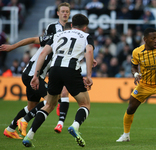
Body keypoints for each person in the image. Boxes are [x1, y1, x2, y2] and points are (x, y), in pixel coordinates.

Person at [23, 13, 94, 148]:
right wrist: (89, 75)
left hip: (54, 70)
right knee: (85, 104)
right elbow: (89, 52)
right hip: (71, 70)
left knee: (49, 105)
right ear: (85, 27)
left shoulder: (58, 35)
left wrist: (36, 75)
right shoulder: (86, 36)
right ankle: (75, 126)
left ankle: (30, 134)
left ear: (72, 25)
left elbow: (43, 53)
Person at [2, 2, 71, 139]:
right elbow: (34, 39)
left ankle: (10, 129)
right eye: (62, 11)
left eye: (67, 12)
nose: (65, 13)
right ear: (57, 13)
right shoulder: (55, 30)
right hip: (33, 74)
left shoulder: (66, 35)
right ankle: (25, 121)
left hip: (35, 74)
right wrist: (12, 47)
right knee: (49, 102)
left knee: (31, 107)